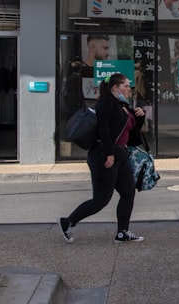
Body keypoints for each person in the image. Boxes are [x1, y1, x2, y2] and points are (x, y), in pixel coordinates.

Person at [59, 73, 147, 243]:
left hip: (121, 153)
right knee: (101, 200)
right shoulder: (106, 103)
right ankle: (67, 222)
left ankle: (123, 232)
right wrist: (109, 154)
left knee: (128, 193)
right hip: (103, 154)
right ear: (115, 87)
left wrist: (140, 115)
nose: (130, 89)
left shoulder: (122, 104)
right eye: (126, 86)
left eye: (129, 86)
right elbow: (103, 131)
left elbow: (132, 129)